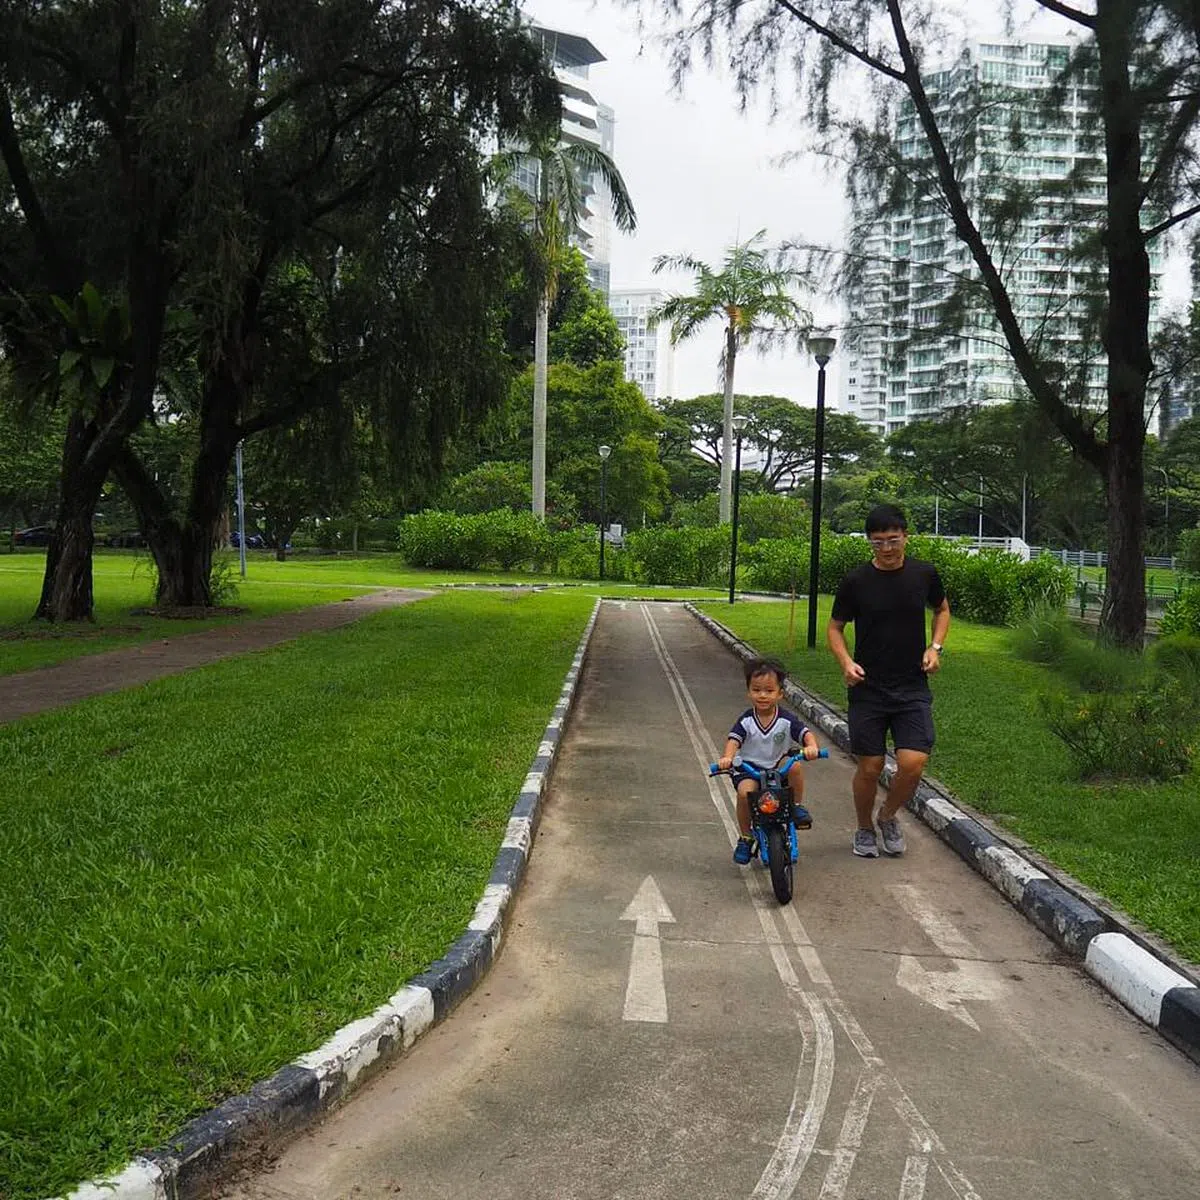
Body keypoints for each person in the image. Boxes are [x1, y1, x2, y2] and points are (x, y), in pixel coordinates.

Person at [827, 503, 951, 859]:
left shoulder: (924, 574)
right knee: (871, 766)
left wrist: (935, 647)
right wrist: (846, 662)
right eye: (877, 542)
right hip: (868, 688)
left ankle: (887, 815)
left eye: (893, 540)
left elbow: (942, 609)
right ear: (869, 542)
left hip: (912, 686)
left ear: (905, 537)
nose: (886, 548)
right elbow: (835, 628)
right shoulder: (856, 581)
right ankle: (864, 827)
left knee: (913, 763)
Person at [718, 657, 821, 864]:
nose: (762, 695)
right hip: (750, 768)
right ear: (749, 692)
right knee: (744, 794)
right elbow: (733, 740)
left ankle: (796, 806)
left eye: (769, 690)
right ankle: (746, 837)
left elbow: (805, 734)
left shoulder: (786, 720)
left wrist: (811, 747)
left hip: (778, 766)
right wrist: (727, 758)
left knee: (795, 765)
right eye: (756, 690)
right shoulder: (747, 721)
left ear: (780, 693)